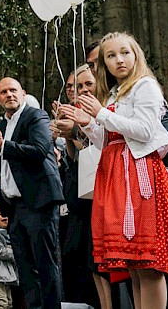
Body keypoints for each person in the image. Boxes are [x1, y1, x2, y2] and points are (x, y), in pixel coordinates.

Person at [58, 32, 168, 309]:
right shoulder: (116, 91)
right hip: (117, 175)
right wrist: (88, 123)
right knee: (134, 265)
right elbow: (109, 140)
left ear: (135, 54)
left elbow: (145, 130)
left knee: (148, 264)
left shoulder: (145, 85)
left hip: (141, 176)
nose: (119, 60)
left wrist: (101, 113)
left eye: (124, 52)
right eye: (111, 56)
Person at [0, 78, 64, 309]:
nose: (9, 94)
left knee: (45, 263)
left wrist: (2, 146)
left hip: (39, 200)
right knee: (24, 267)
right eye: (3, 92)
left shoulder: (36, 116)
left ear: (23, 93)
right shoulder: (2, 126)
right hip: (14, 206)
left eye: (13, 90)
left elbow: (40, 150)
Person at [51, 65, 105, 309]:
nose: (81, 91)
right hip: (78, 192)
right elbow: (76, 156)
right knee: (77, 257)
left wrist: (75, 131)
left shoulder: (104, 111)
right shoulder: (75, 112)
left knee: (98, 261)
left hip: (100, 191)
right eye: (75, 87)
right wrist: (67, 134)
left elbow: (98, 149)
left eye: (87, 85)